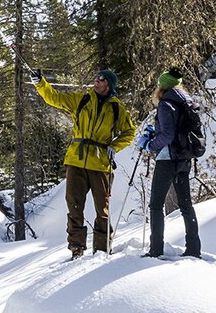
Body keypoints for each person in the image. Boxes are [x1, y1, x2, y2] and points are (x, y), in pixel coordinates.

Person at [32, 68, 136, 258]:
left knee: (102, 209)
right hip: (76, 161)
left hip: (100, 164)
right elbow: (54, 97)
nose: (96, 81)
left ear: (109, 84)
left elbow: (129, 132)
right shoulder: (82, 100)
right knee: (74, 205)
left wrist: (115, 146)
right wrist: (40, 83)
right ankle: (76, 248)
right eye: (96, 77)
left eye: (101, 79)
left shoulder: (116, 108)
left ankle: (102, 249)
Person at [140, 68, 201, 259]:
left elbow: (167, 135)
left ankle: (156, 249)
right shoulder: (186, 101)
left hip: (167, 159)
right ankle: (193, 248)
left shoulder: (166, 104)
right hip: (184, 157)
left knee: (156, 205)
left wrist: (151, 144)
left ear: (162, 86)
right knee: (186, 204)